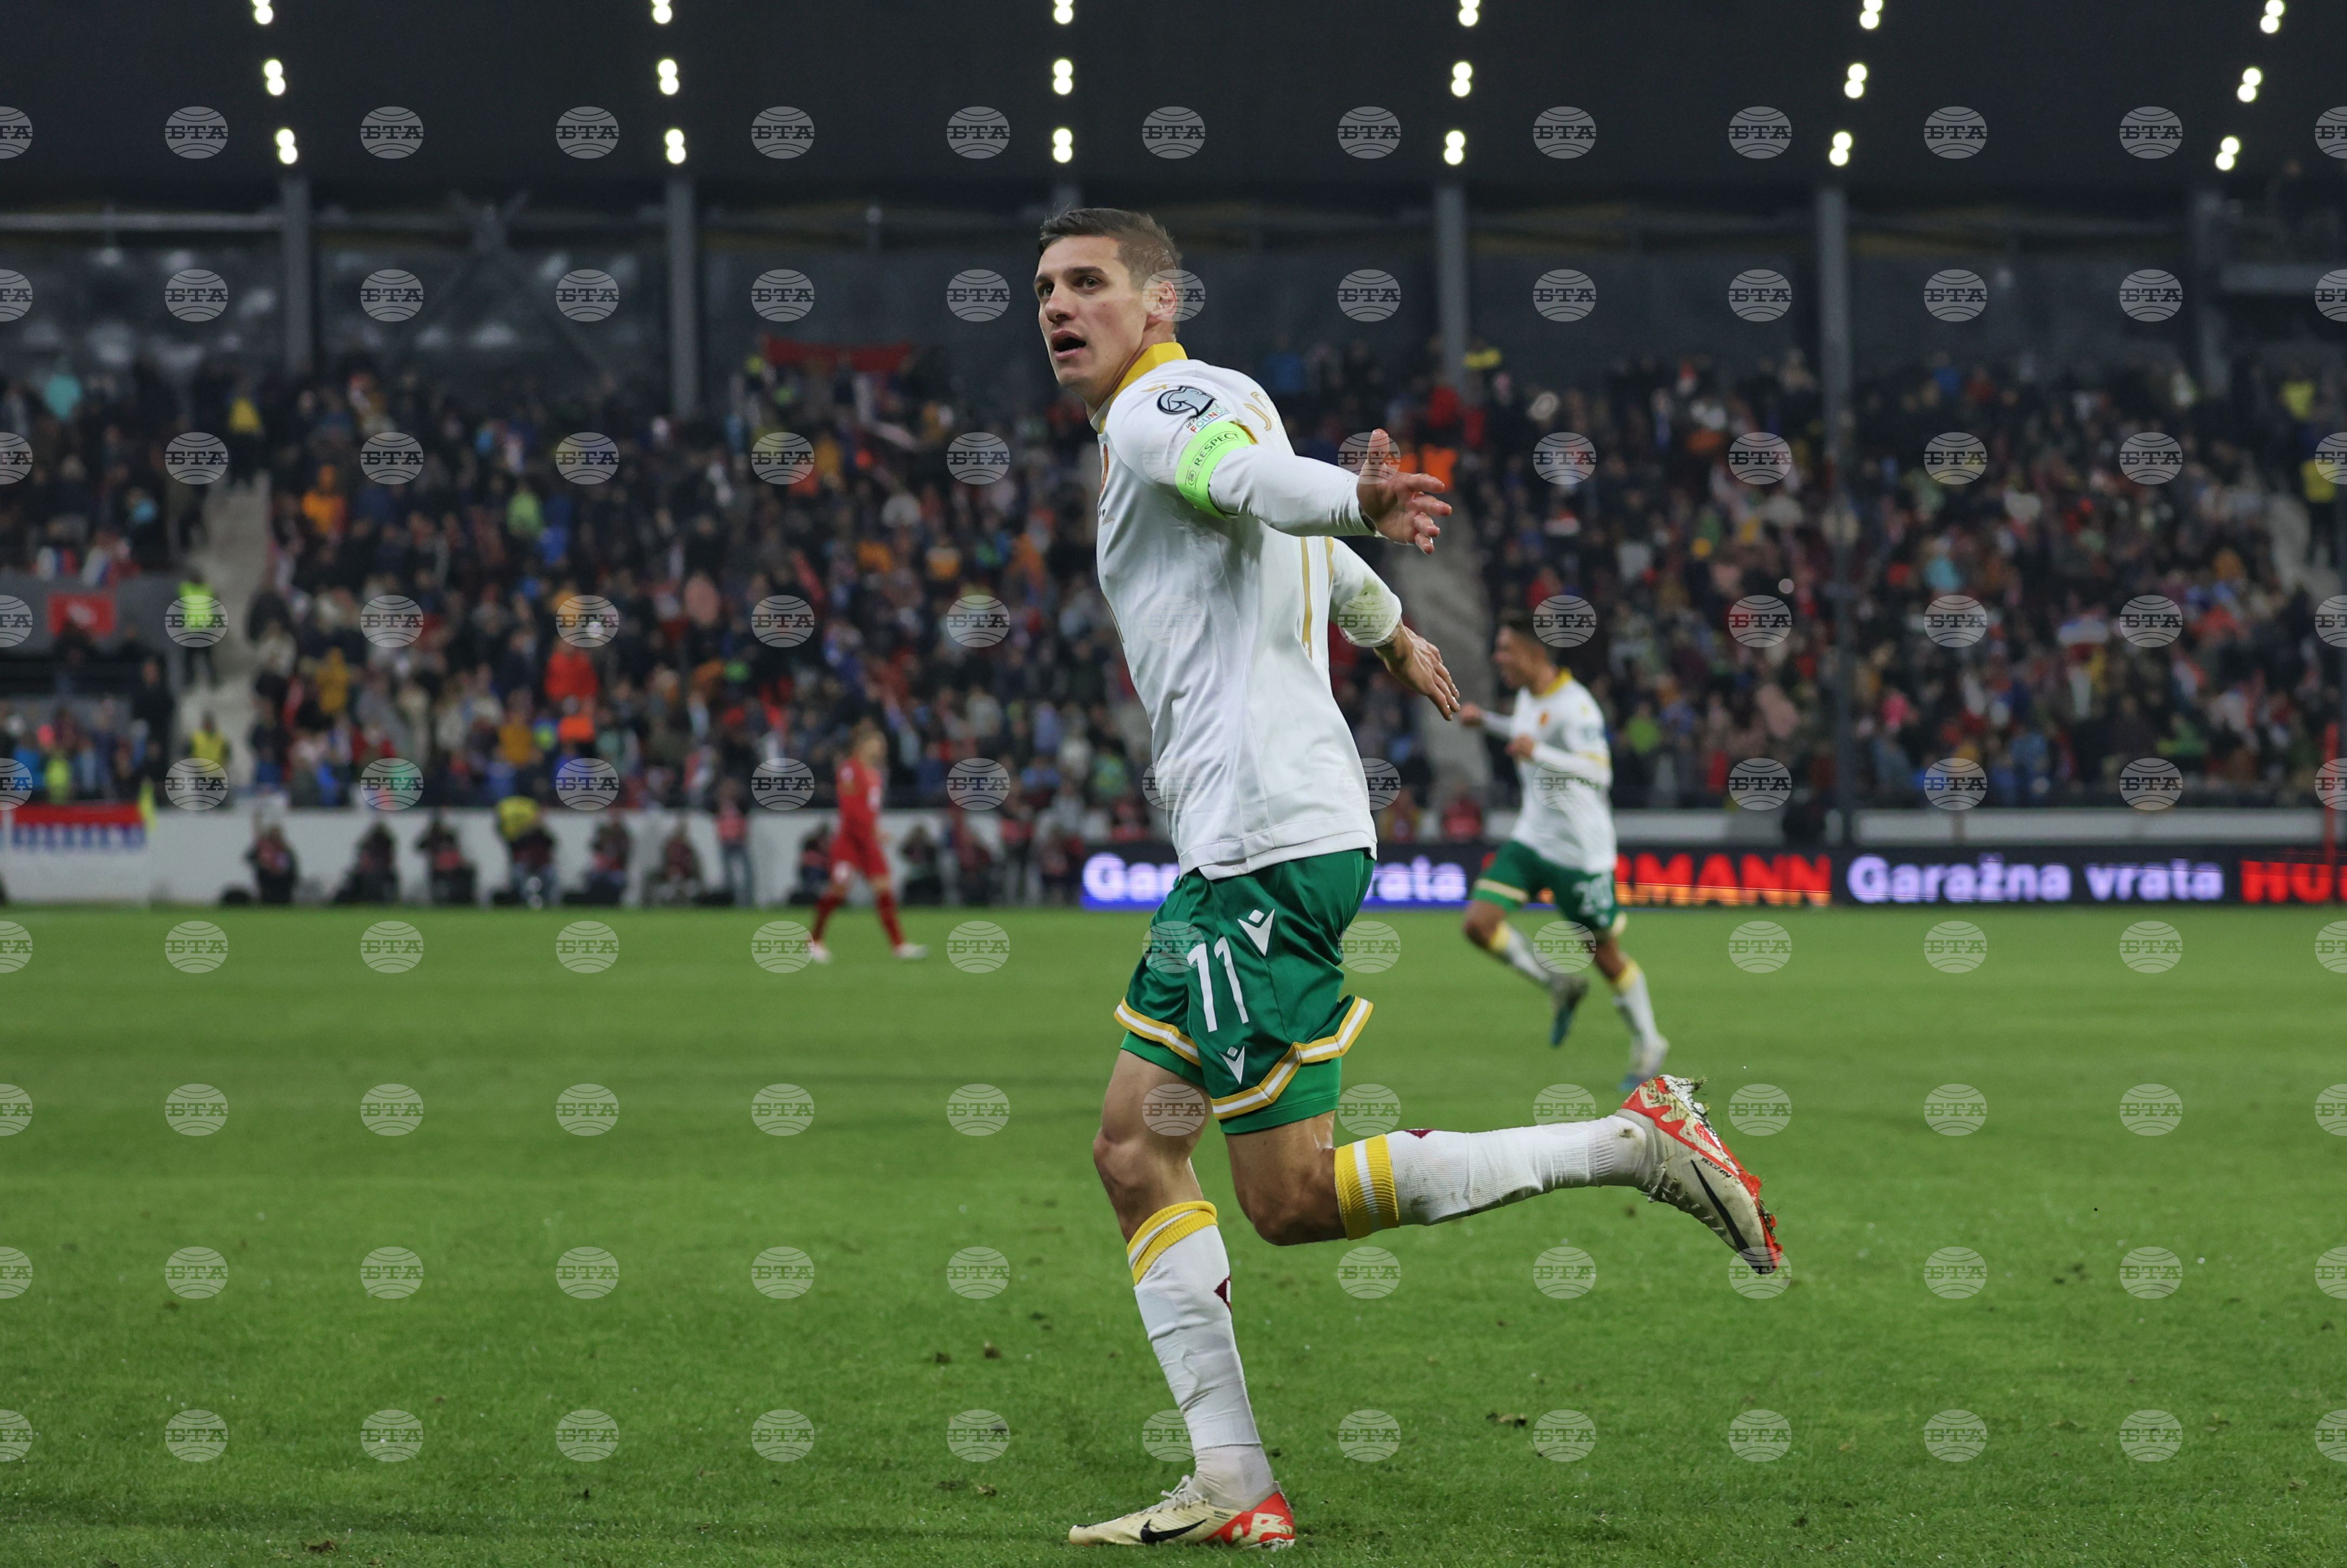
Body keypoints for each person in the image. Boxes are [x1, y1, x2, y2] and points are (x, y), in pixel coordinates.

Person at [1038, 208, 1781, 1550]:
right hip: (1243, 849)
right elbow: (1285, 525)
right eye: (1045, 286)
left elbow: (1255, 485)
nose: (1056, 305)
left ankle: (1630, 1142)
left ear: (1157, 302)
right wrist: (1387, 630)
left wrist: (1353, 499)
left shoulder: (1161, 411)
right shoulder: (1205, 402)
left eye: (1088, 282)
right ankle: (1233, 1483)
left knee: (1286, 1197)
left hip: (1260, 850)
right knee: (1134, 1149)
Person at [1457, 608, 1668, 1086]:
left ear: (1534, 654)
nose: (1498, 658)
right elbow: (1527, 732)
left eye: (1506, 650)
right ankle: (1558, 982)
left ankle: (1650, 1040)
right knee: (1478, 924)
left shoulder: (1578, 707)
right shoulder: (1528, 696)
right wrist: (1486, 722)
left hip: (1579, 852)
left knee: (1605, 956)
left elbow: (1599, 771)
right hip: (1533, 837)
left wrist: (1539, 753)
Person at [807, 720, 925, 961]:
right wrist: (873, 830)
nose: (880, 748)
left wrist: (875, 830)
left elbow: (869, 810)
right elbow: (850, 809)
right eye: (876, 743)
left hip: (868, 842)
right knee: (838, 890)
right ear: (862, 745)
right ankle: (814, 941)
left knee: (884, 888)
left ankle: (899, 945)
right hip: (849, 841)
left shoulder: (876, 775)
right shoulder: (849, 770)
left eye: (882, 744)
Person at [245, 819, 296, 905]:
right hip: (267, 880)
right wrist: (261, 863)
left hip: (283, 881)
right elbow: (249, 858)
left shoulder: (284, 849)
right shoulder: (264, 848)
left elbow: (291, 864)